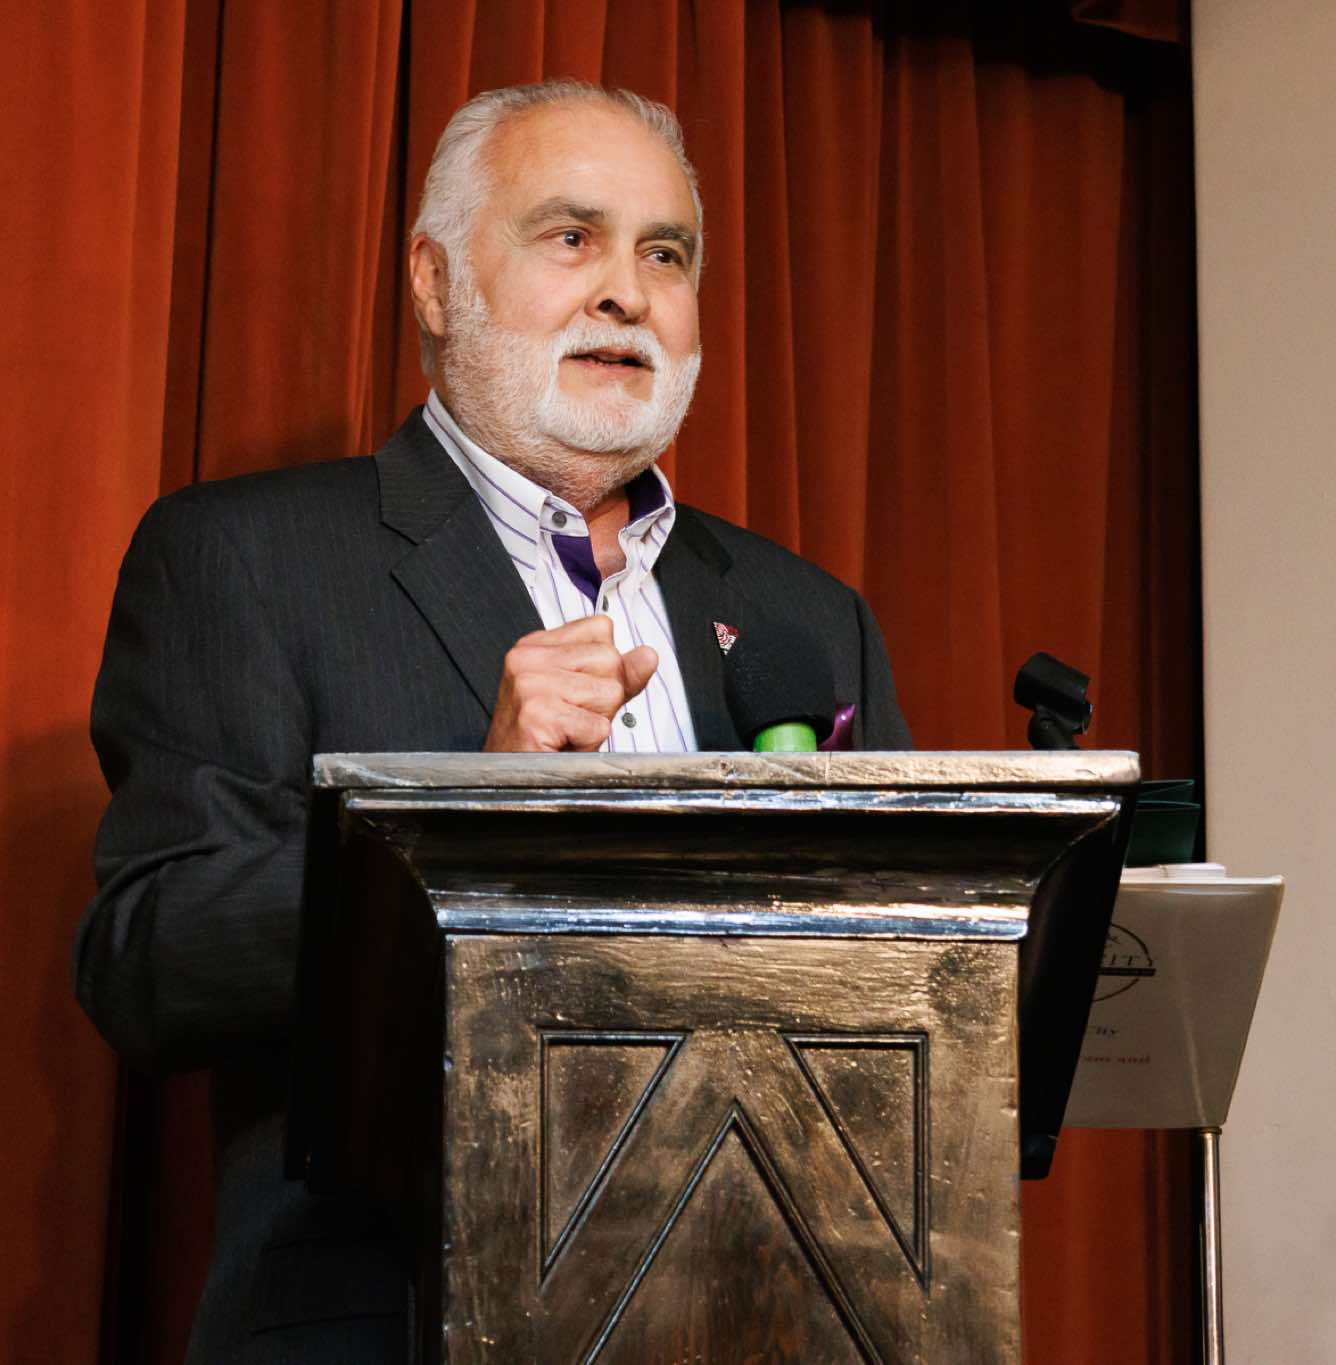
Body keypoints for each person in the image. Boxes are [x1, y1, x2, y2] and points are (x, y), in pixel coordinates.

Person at [75, 79, 910, 1363]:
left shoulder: (803, 615)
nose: (625, 292)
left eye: (665, 254)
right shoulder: (247, 559)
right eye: (571, 238)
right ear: (433, 283)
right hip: (402, 1319)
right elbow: (149, 960)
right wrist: (466, 810)